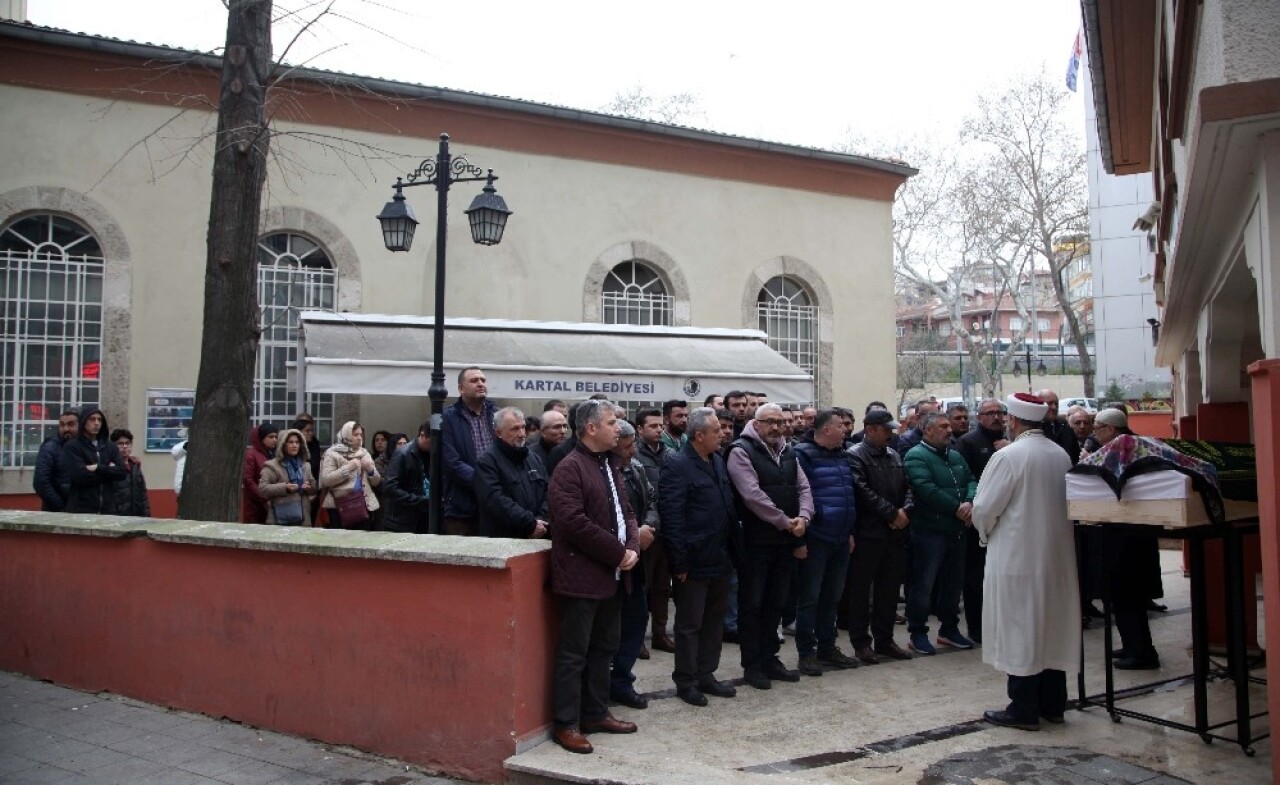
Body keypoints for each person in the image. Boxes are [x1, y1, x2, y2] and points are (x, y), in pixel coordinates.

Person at [974, 393, 1080, 731]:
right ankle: (1053, 704)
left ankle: (1023, 708)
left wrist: (984, 533)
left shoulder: (1008, 456)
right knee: (1050, 625)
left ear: (1014, 421)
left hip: (1017, 555)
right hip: (1056, 557)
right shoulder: (1060, 454)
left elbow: (984, 508)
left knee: (1021, 627)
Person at [547, 399, 640, 754]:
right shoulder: (570, 468)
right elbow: (573, 522)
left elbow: (626, 512)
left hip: (613, 574)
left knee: (605, 648)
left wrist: (632, 546)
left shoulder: (609, 464)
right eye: (613, 421)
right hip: (582, 576)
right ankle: (567, 723)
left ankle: (596, 712)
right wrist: (619, 553)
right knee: (575, 653)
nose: (619, 427)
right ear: (591, 428)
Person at [727, 403, 814, 689]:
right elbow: (751, 495)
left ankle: (770, 658)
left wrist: (803, 517)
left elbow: (803, 488)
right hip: (755, 542)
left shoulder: (789, 451)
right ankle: (752, 665)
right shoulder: (741, 451)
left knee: (775, 604)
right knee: (752, 605)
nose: (777, 427)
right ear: (757, 423)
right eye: (770, 422)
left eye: (780, 421)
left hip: (784, 540)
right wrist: (784, 521)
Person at [659, 407, 740, 706]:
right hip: (693, 560)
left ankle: (707, 673)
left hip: (720, 556)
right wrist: (678, 562)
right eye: (716, 430)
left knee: (714, 622)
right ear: (699, 435)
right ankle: (687, 680)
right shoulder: (677, 465)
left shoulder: (717, 460)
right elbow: (672, 517)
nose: (722, 434)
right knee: (690, 624)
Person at [1084, 407, 1163, 670]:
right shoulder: (1138, 444)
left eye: (1097, 428)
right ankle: (1133, 645)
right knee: (1128, 597)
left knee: (1126, 594)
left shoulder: (1119, 448)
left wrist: (1088, 460)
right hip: (1134, 534)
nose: (1094, 433)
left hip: (1123, 536)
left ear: (1110, 429)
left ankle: (1141, 652)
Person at [791, 409, 860, 675]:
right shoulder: (803, 455)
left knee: (832, 597)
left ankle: (828, 647)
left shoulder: (843, 454)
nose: (845, 430)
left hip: (841, 538)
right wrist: (801, 539)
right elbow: (799, 498)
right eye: (840, 426)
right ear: (826, 429)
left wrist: (849, 531)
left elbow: (847, 495)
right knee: (810, 598)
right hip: (816, 538)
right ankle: (806, 652)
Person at [903, 412, 977, 655]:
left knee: (953, 584)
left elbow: (972, 480)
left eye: (949, 426)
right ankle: (918, 633)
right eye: (943, 426)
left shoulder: (955, 455)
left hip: (957, 529)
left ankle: (949, 630)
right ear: (928, 431)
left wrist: (969, 501)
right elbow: (926, 489)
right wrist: (955, 508)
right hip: (929, 531)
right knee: (923, 585)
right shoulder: (916, 456)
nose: (949, 430)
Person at [847, 408, 914, 664]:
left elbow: (908, 488)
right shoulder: (854, 456)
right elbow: (862, 492)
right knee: (861, 592)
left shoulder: (894, 455)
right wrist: (891, 514)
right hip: (868, 534)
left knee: (888, 591)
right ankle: (861, 643)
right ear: (871, 429)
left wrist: (905, 511)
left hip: (894, 534)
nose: (891, 435)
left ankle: (885, 640)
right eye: (887, 430)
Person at [609, 418, 658, 709]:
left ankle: (622, 679)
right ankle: (607, 682)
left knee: (638, 617)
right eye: (627, 447)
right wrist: (634, 536)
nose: (633, 452)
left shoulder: (636, 469)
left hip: (638, 558)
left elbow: (653, 501)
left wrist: (647, 528)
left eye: (633, 446)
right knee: (610, 626)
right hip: (615, 559)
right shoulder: (604, 470)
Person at [954, 398, 1009, 644]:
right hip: (978, 518)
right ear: (980, 417)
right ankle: (976, 627)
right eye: (990, 413)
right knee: (976, 578)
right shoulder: (968, 442)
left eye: (1000, 412)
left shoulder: (1010, 443)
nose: (996, 417)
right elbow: (966, 477)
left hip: (1006, 519)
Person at [633, 407, 675, 654]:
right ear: (640, 429)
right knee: (642, 587)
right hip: (646, 530)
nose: (659, 430)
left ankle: (660, 633)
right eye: (653, 426)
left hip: (668, 529)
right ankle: (637, 637)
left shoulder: (669, 454)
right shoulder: (632, 455)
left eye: (660, 426)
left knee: (662, 587)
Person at [440, 367, 498, 536]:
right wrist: (485, 482)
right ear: (461, 389)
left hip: (495, 503)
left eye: (483, 380)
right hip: (462, 507)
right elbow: (452, 463)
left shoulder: (497, 415)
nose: (480, 384)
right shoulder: (448, 418)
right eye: (474, 381)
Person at [476, 407, 550, 539]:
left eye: (523, 427)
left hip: (538, 533)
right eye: (515, 429)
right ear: (499, 433)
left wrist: (540, 521)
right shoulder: (487, 462)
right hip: (504, 539)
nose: (522, 434)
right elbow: (495, 500)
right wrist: (530, 524)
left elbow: (548, 492)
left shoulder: (533, 458)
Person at [61, 406, 126, 514]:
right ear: (83, 422)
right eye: (92, 419)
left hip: (108, 510)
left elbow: (122, 472)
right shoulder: (72, 446)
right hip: (82, 509)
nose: (96, 423)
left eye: (99, 419)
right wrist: (110, 472)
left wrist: (98, 467)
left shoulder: (110, 447)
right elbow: (80, 476)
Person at [319, 421, 381, 529]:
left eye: (361, 435)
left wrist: (370, 470)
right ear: (346, 434)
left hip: (363, 505)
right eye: (355, 434)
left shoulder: (364, 453)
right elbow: (326, 480)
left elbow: (376, 482)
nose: (359, 438)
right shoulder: (331, 454)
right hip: (339, 507)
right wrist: (348, 468)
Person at [258, 428, 317, 526]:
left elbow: (314, 488)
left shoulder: (305, 465)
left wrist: (309, 487)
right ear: (283, 444)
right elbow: (262, 489)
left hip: (303, 520)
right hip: (280, 519)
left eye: (297, 442)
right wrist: (285, 487)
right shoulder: (272, 465)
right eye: (290, 442)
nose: (295, 445)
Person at [381, 424, 432, 534]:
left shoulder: (429, 454)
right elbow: (389, 487)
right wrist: (417, 500)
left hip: (420, 517)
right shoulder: (402, 454)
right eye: (432, 442)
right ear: (423, 436)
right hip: (401, 521)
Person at [34, 408, 78, 511]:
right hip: (57, 511)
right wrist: (62, 508)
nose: (66, 429)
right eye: (62, 425)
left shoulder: (84, 448)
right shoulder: (50, 447)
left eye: (71, 424)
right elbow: (41, 483)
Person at [103, 428, 150, 517]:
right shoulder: (109, 467)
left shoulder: (135, 465)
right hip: (116, 517)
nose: (125, 446)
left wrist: (146, 514)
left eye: (127, 443)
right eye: (120, 444)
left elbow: (143, 494)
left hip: (136, 516)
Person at [241, 423, 278, 524]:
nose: (274, 440)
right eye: (271, 437)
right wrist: (263, 497)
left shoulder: (272, 454)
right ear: (261, 438)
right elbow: (248, 479)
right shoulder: (251, 454)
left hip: (270, 503)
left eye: (276, 436)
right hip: (255, 504)